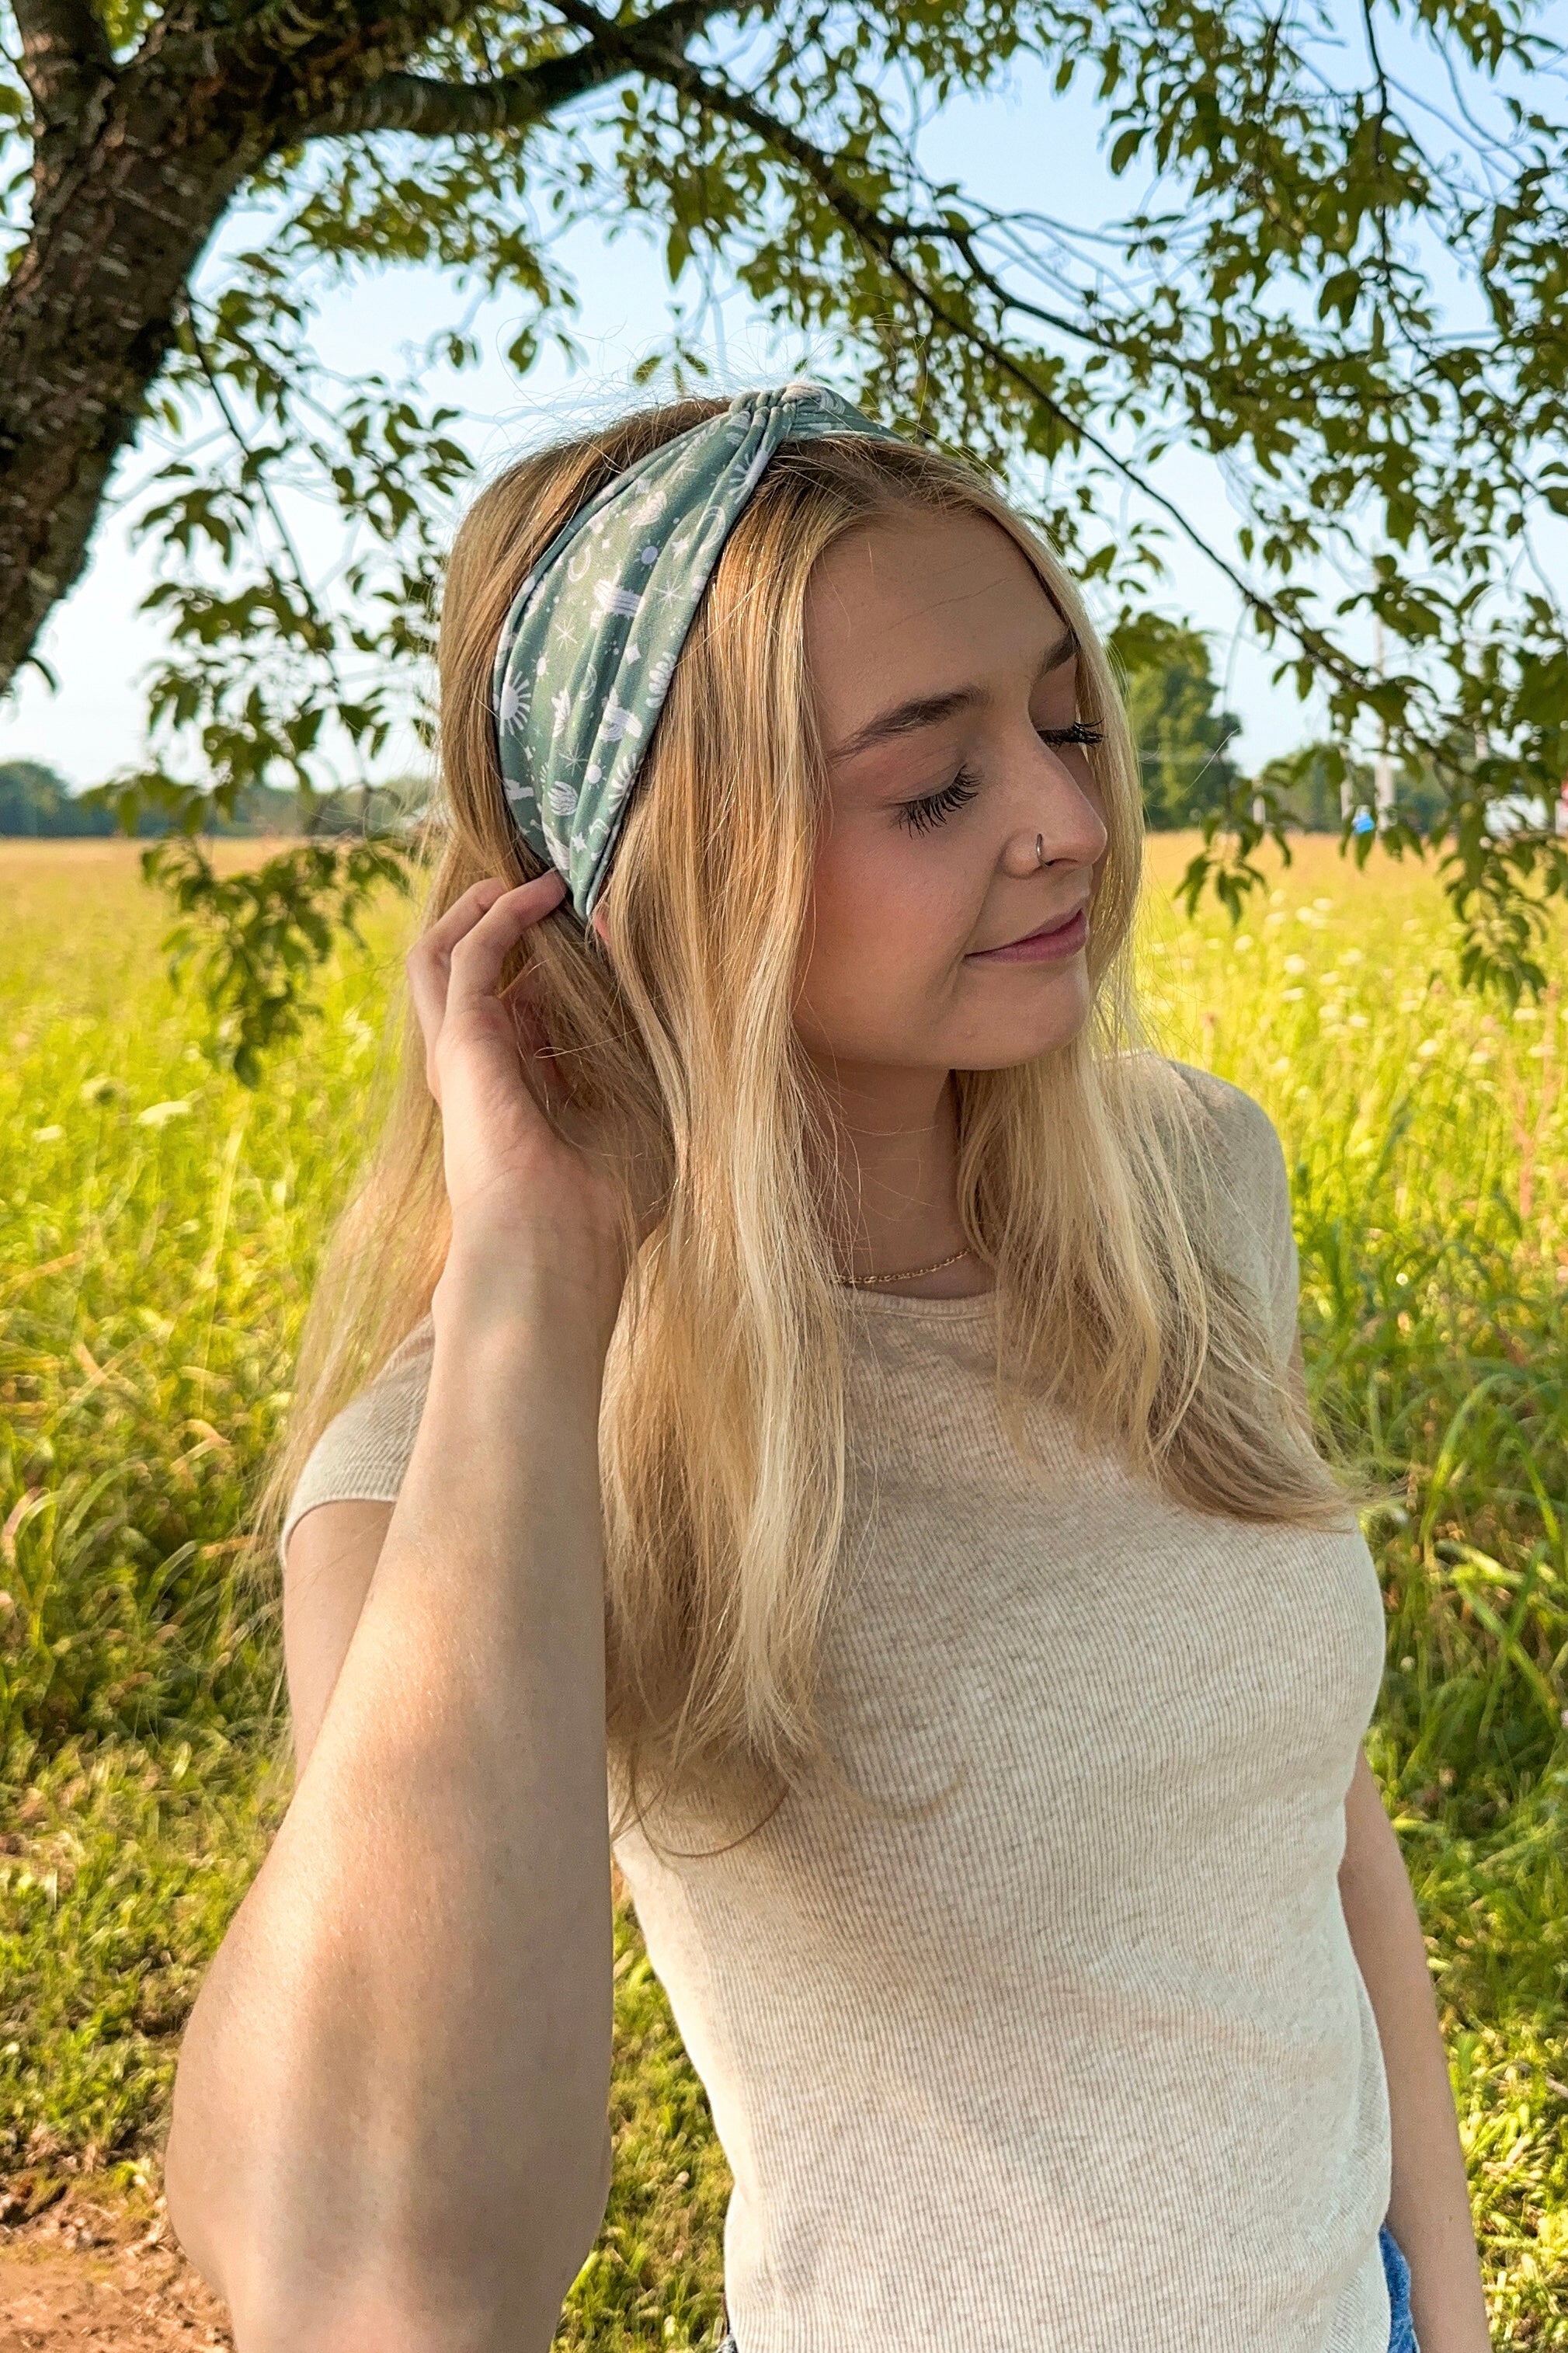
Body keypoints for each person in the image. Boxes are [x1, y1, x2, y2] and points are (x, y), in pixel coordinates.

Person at [162, 384, 1490, 2353]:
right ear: (676, 867)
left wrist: (1438, 2306)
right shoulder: (465, 1461)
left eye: (1058, 720)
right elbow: (368, 2290)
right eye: (930, 785)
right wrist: (532, 1293)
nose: (1070, 817)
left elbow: (1306, 1821)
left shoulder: (1190, 1184)